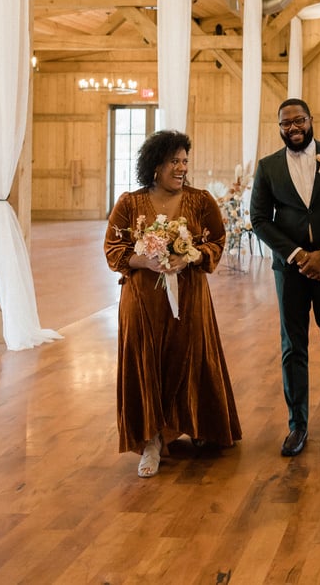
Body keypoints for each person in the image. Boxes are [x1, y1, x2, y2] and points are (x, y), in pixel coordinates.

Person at [104, 130, 242, 478]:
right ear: (155, 165)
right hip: (142, 301)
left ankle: (194, 424)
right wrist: (144, 261)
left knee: (191, 357)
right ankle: (151, 440)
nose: (181, 167)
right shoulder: (129, 203)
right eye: (173, 161)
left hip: (190, 297)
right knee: (146, 363)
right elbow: (112, 249)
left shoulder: (200, 201)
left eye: (184, 161)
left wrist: (191, 257)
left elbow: (217, 241)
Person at [250, 98, 320, 458]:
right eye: (286, 123)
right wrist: (298, 255)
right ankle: (297, 425)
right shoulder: (268, 167)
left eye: (299, 121)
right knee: (292, 345)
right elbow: (260, 218)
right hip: (291, 269)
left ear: (311, 121)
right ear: (279, 127)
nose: (293, 128)